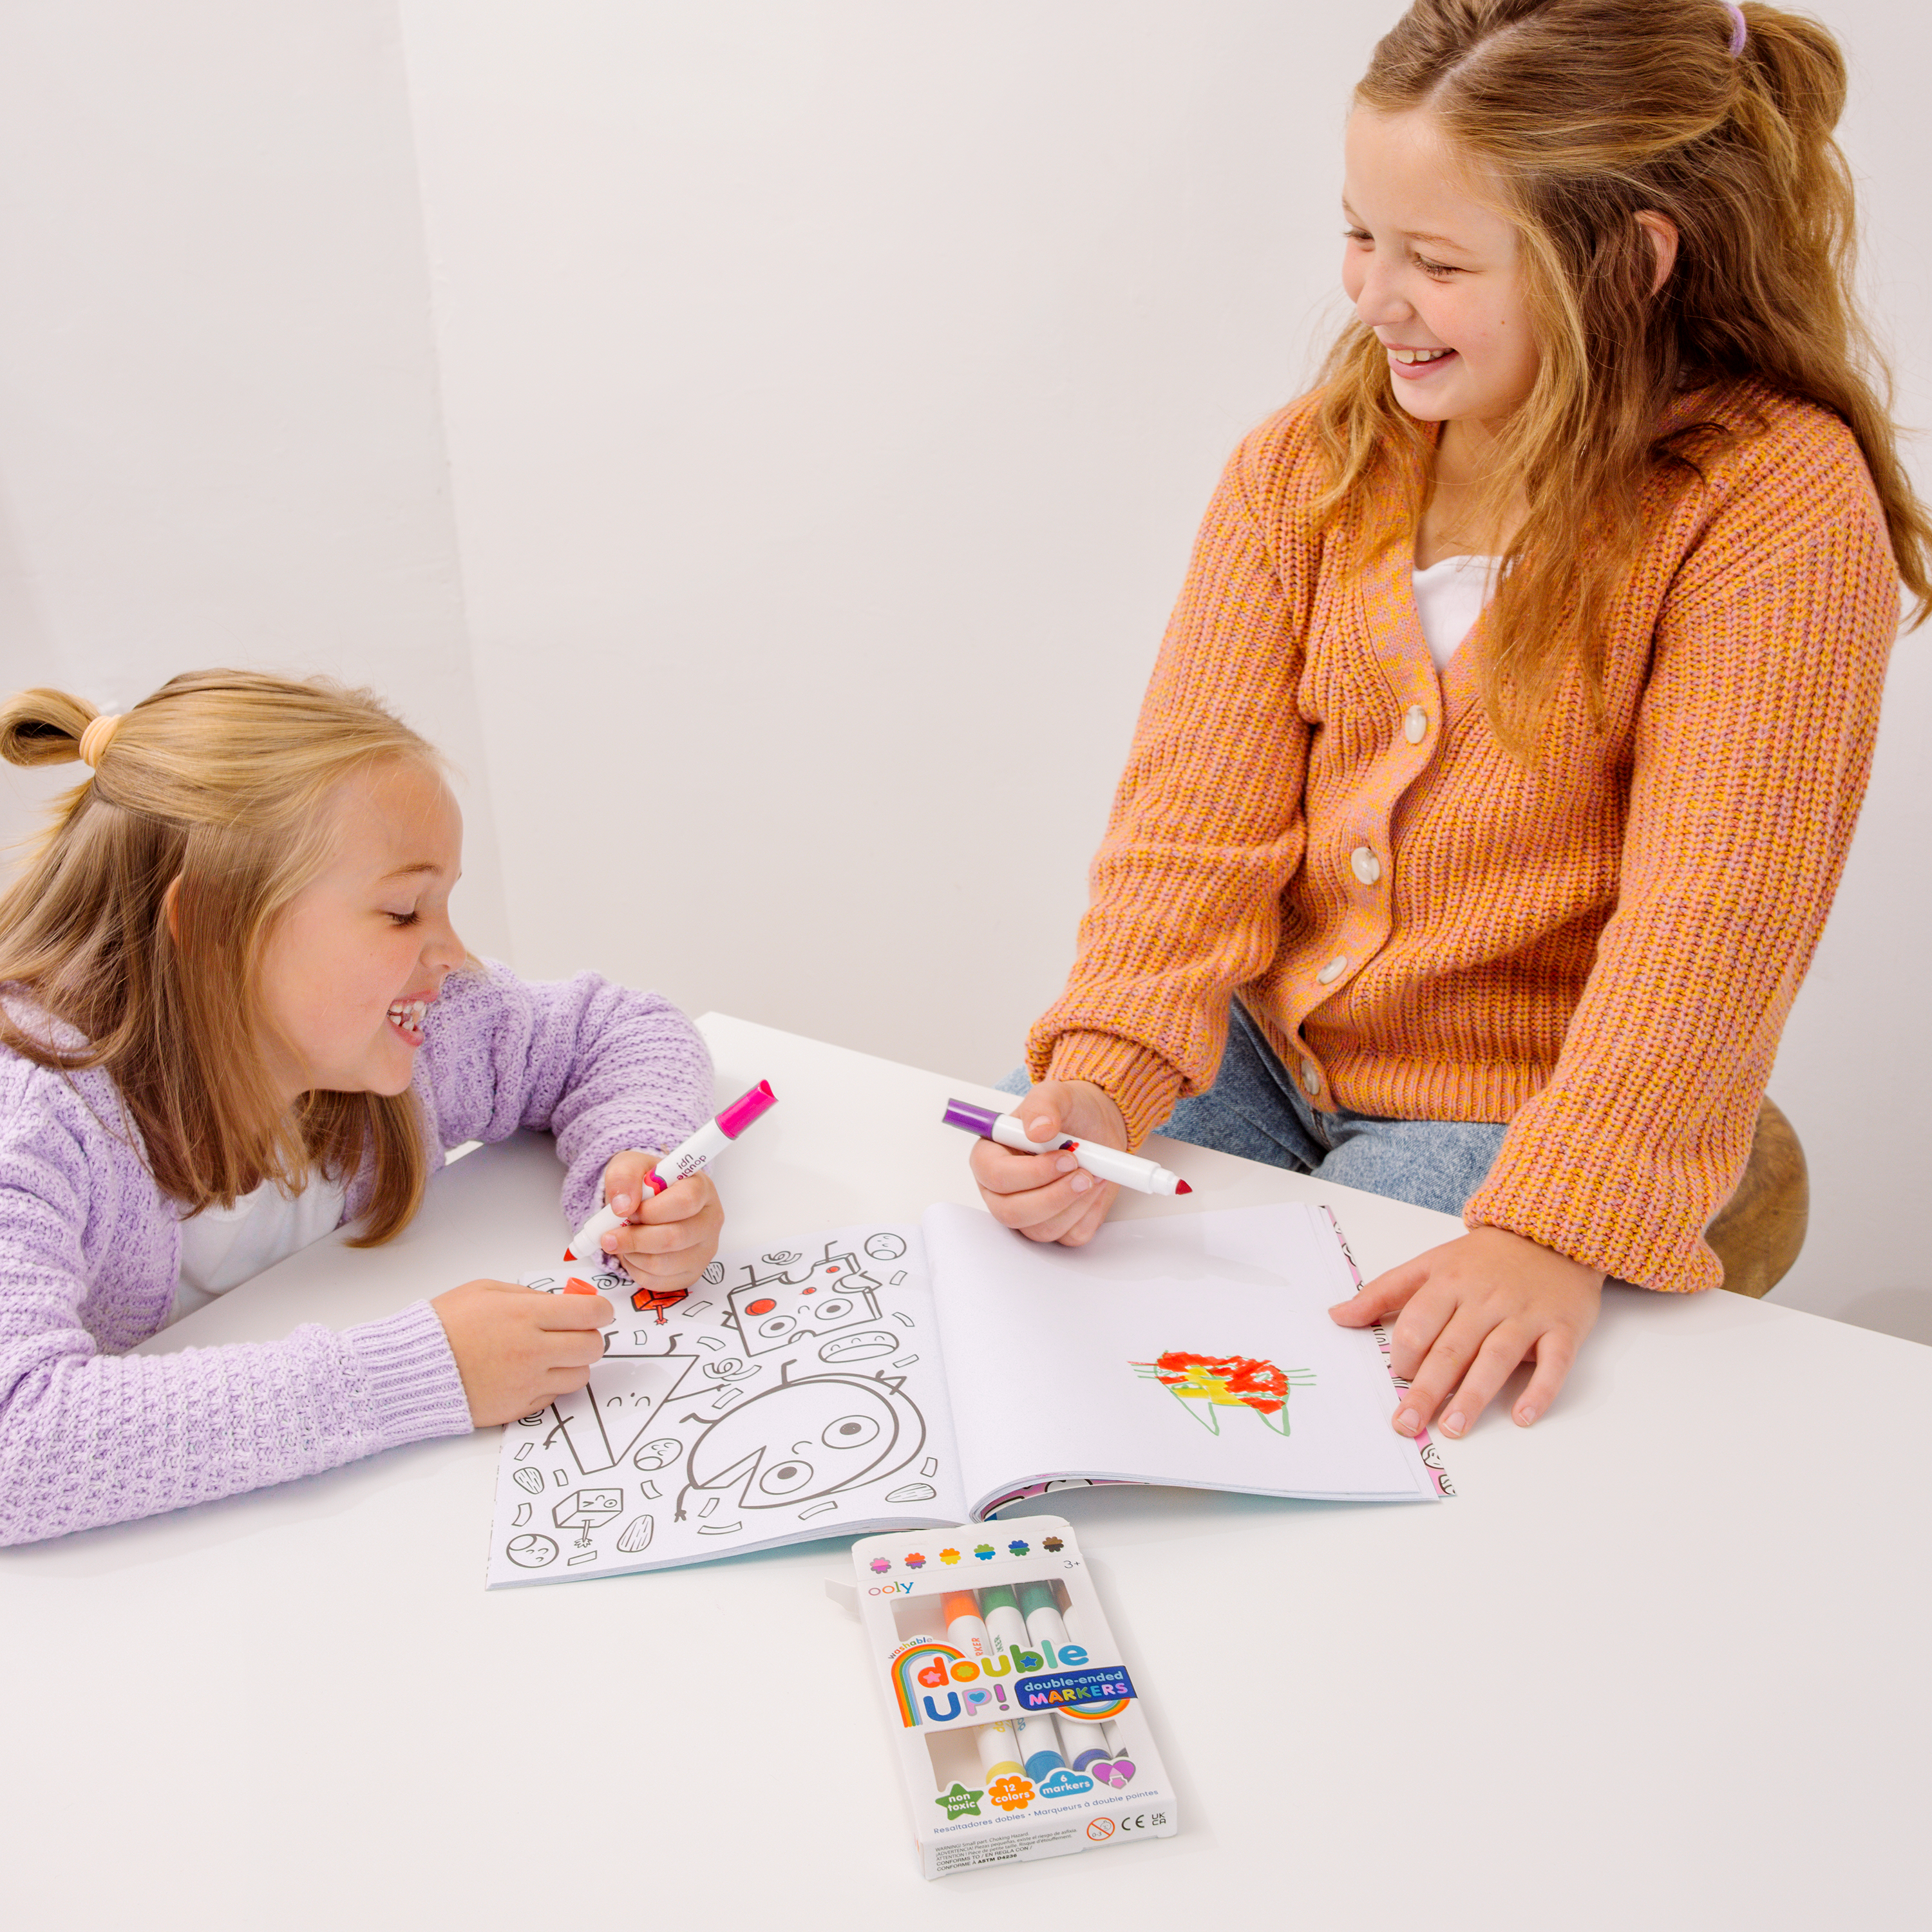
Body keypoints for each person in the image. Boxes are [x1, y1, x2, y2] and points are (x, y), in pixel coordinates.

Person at [972, 0, 1926, 1442]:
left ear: (1629, 266)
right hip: (1265, 1052)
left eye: (1437, 262)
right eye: (1362, 235)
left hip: (1529, 1103)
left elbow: (1715, 928)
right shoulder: (1307, 463)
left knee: (1325, 1381)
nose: (1374, 297)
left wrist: (1560, 1219)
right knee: (1034, 1238)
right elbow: (1188, 832)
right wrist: (1100, 1085)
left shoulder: (1769, 506)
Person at [0, 670, 719, 1545]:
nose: (453, 954)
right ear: (218, 925)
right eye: (403, 910)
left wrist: (628, 1161)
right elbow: (18, 1440)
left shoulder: (402, 1040)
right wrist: (419, 1374)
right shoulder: (34, 1117)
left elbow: (619, 1029)